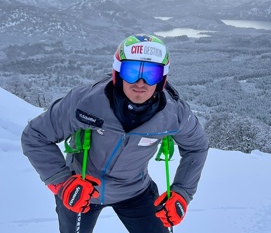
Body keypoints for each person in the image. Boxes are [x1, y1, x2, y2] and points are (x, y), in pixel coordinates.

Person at [21, 34, 209, 233]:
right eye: (132, 71)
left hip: (134, 191)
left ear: (162, 79)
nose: (140, 82)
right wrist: (63, 183)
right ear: (117, 73)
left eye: (151, 73)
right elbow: (35, 135)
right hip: (81, 190)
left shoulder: (174, 113)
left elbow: (197, 147)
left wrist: (182, 192)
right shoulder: (86, 102)